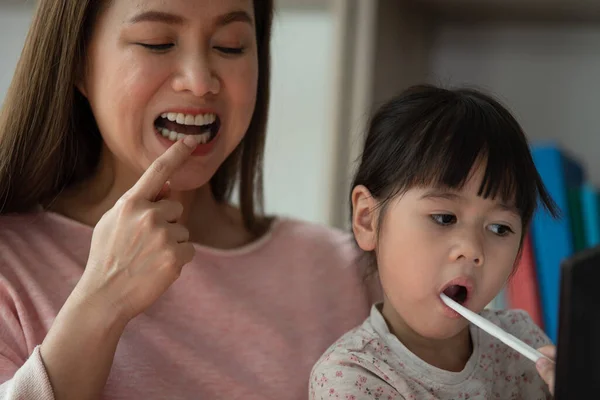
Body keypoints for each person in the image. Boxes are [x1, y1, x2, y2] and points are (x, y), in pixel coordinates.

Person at [0, 1, 379, 399]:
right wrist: (101, 304)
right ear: (77, 62)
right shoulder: (11, 264)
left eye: (230, 46)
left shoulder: (346, 271)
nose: (200, 82)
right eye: (158, 42)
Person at [309, 84, 558, 399]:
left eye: (499, 228)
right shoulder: (351, 374)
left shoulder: (522, 344)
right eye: (444, 218)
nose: (472, 249)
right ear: (367, 219)